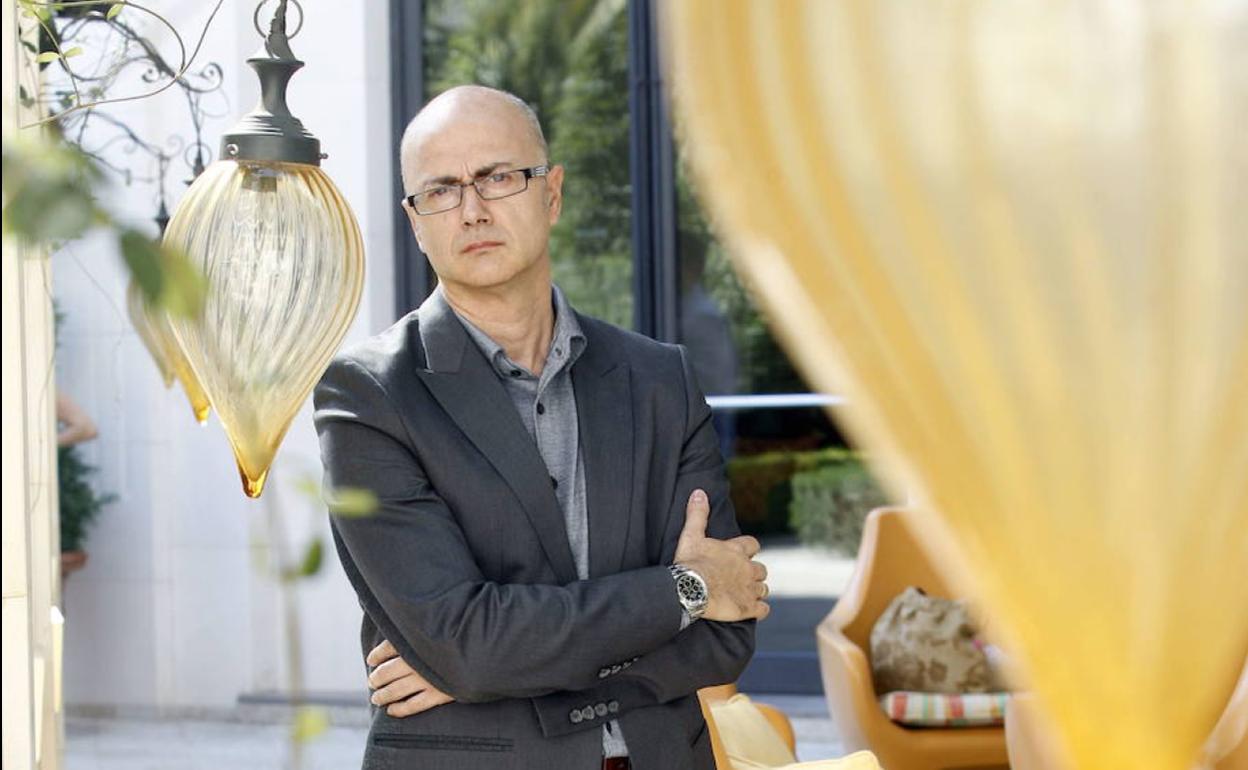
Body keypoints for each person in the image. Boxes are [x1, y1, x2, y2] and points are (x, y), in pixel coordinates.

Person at [314, 85, 770, 770]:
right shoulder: (369, 395)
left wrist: (496, 675)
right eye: (440, 190)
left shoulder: (659, 380)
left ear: (551, 194)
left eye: (497, 177)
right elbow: (468, 645)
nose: (471, 210)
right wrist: (686, 591)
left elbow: (725, 637)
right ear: (415, 222)